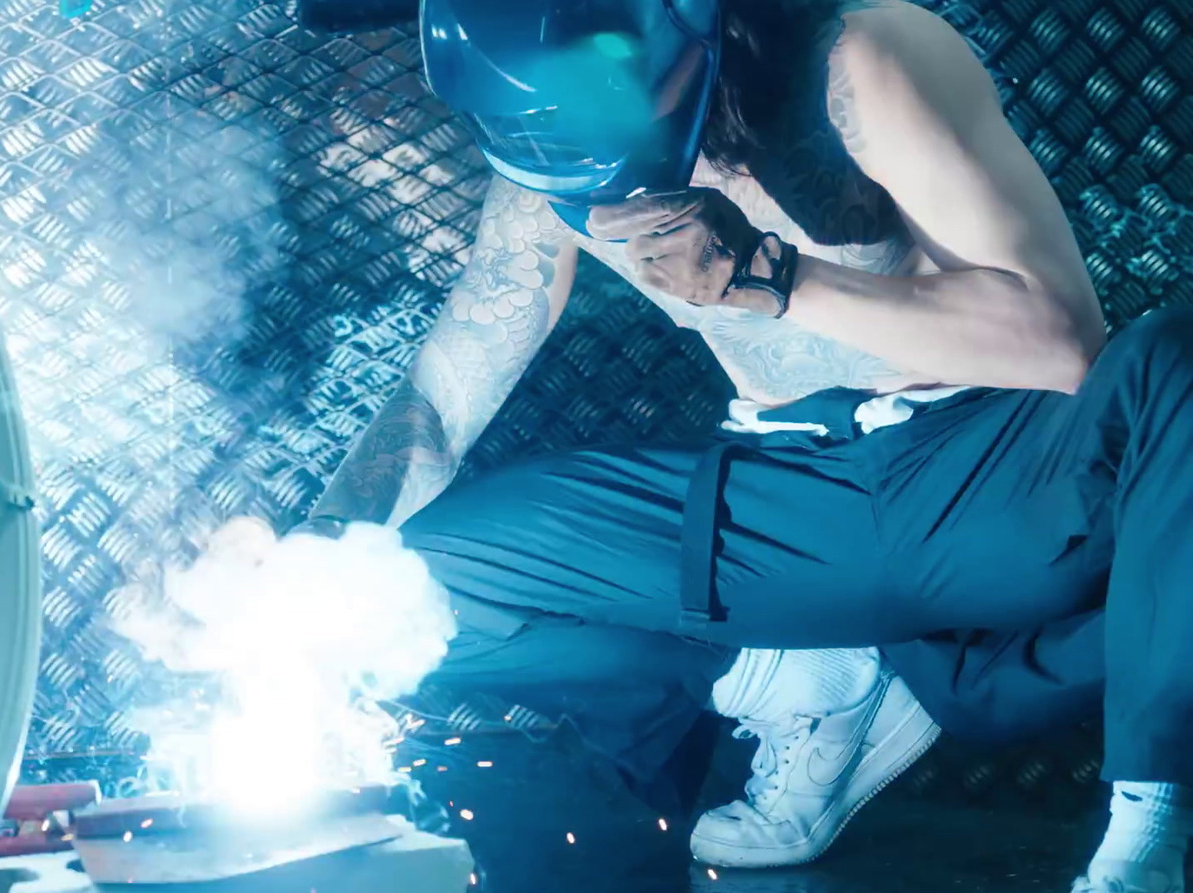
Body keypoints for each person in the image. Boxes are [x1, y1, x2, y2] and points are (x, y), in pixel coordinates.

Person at [275, 0, 1189, 889]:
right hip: (780, 502)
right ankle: (798, 678)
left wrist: (776, 278)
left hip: (984, 472)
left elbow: (1065, 341)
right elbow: (444, 392)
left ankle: (1149, 828)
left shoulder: (861, 63)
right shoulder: (544, 165)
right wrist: (306, 569)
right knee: (406, 575)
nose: (568, 120)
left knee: (1178, 360)